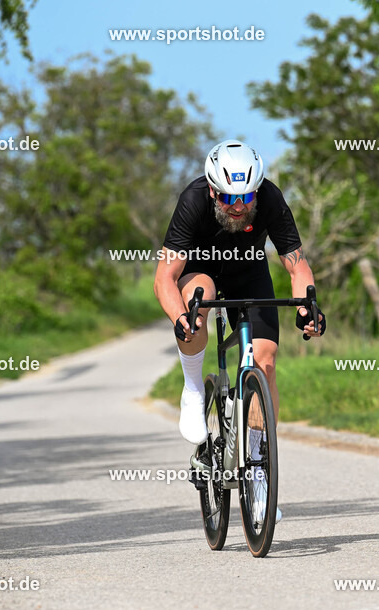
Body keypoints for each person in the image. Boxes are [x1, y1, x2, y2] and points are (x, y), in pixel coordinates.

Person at [153, 139, 325, 522]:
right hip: (202, 272)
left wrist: (307, 308)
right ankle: (194, 388)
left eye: (246, 196)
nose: (238, 205)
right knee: (199, 301)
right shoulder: (193, 199)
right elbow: (165, 277)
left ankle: (259, 470)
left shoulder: (272, 198)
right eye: (228, 197)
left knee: (265, 360)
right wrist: (181, 318)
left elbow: (297, 266)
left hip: (250, 276)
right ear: (212, 189)